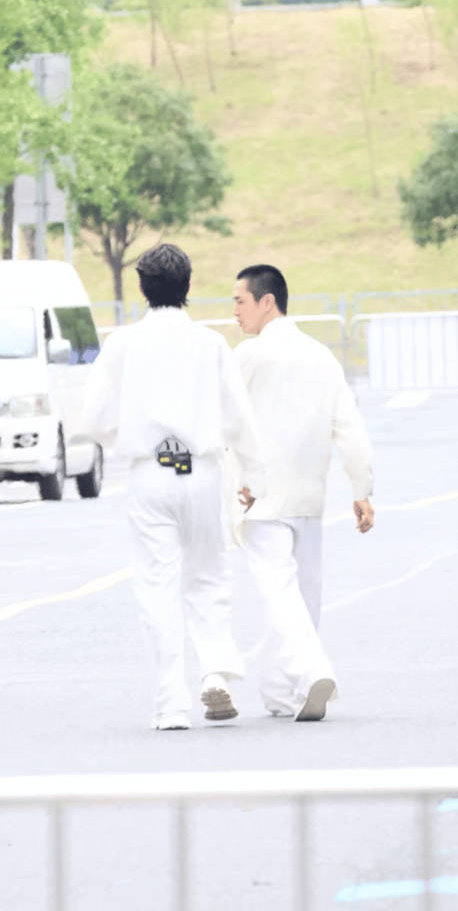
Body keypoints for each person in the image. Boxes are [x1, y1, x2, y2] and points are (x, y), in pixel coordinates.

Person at [83, 243, 265, 731]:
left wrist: (129, 440)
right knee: (208, 576)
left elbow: (93, 417)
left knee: (156, 584)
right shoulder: (210, 344)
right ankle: (215, 673)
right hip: (202, 470)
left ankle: (171, 704)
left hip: (149, 472)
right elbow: (239, 417)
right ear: (188, 286)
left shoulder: (123, 343)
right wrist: (253, 475)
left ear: (142, 288)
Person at [232, 264, 374, 722]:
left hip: (260, 498)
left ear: (267, 301)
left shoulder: (249, 356)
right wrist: (361, 488)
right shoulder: (321, 356)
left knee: (279, 593)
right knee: (305, 595)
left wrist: (228, 482)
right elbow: (348, 426)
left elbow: (224, 423)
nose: (235, 311)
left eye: (240, 301)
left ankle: (312, 673)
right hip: (310, 495)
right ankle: (282, 693)